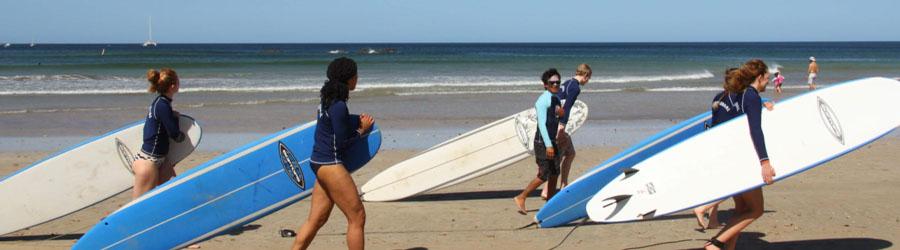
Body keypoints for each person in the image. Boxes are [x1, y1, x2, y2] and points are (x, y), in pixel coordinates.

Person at [292, 57, 374, 250]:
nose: (358, 78)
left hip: (319, 162)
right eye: (356, 75)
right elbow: (342, 142)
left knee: (317, 219)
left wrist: (355, 124)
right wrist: (362, 131)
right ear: (349, 78)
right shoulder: (338, 106)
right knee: (357, 217)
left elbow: (330, 129)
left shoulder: (326, 101)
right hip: (331, 164)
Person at [705, 59, 777, 250]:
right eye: (767, 78)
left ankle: (729, 248)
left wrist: (763, 104)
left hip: (728, 158)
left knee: (741, 209)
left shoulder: (733, 95)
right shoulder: (750, 96)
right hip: (743, 161)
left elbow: (729, 123)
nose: (768, 82)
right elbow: (755, 130)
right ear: (759, 77)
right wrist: (765, 162)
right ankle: (715, 245)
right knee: (756, 209)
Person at [514, 68, 564, 214]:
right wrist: (548, 145)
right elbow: (542, 124)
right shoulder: (543, 100)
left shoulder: (555, 98)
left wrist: (560, 114)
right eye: (552, 83)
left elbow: (554, 118)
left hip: (551, 140)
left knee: (555, 171)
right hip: (542, 142)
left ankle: (550, 204)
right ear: (545, 84)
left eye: (557, 82)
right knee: (544, 173)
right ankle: (521, 197)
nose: (555, 85)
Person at [132, 68, 185, 199]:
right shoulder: (163, 105)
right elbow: (175, 134)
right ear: (173, 86)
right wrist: (177, 121)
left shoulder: (160, 103)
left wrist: (171, 116)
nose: (180, 83)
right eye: (178, 81)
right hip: (149, 162)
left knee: (171, 195)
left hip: (159, 159)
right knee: (137, 206)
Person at [542, 63, 591, 199]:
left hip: (552, 120)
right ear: (586, 75)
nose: (588, 81)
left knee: (570, 154)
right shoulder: (575, 87)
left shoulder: (566, 83)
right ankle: (547, 190)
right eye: (589, 78)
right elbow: (567, 107)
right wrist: (561, 127)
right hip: (558, 125)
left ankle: (564, 185)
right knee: (557, 157)